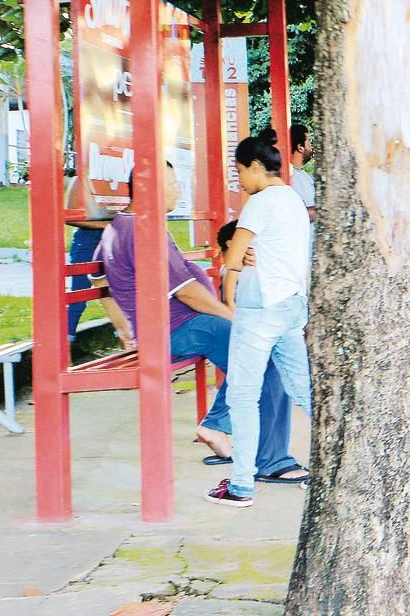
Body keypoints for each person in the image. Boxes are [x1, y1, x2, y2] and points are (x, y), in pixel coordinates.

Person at [96, 162, 308, 487]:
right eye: (171, 183)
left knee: (257, 352)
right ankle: (270, 460)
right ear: (146, 187)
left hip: (176, 325)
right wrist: (238, 318)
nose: (177, 190)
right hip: (180, 325)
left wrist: (125, 328)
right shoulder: (142, 230)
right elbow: (190, 295)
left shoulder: (123, 226)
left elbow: (99, 276)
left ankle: (218, 426)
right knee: (265, 354)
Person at [207, 135, 312, 508]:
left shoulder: (260, 202)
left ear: (253, 166)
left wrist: (234, 258)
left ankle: (240, 485)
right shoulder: (294, 201)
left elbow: (231, 258)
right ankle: (335, 465)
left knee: (242, 396)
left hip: (260, 309)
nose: (240, 181)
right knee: (304, 390)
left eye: (239, 171)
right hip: (291, 306)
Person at [65, 164, 114, 342]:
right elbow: (69, 217)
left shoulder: (118, 181)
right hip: (88, 241)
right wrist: (108, 226)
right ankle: (65, 353)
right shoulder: (81, 179)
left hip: (115, 239)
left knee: (122, 294)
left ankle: (130, 346)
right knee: (78, 296)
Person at [287, 123, 316, 223]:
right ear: (300, 147)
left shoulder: (303, 175)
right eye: (308, 143)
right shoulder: (291, 178)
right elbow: (298, 213)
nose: (311, 147)